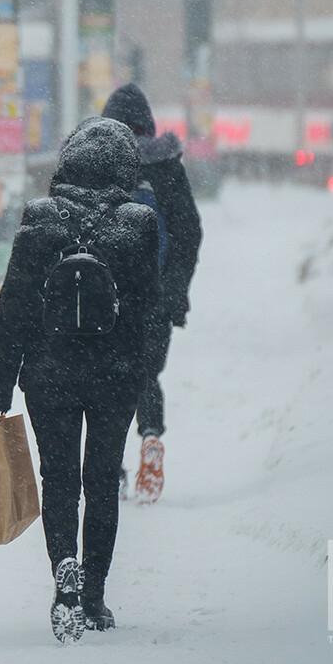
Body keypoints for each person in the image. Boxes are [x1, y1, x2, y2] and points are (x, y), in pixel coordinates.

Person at [0, 118, 162, 642]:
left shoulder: (42, 219)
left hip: (49, 374)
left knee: (59, 479)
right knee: (101, 482)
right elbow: (149, 312)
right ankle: (96, 597)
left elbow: (13, 306)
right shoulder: (138, 224)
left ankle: (65, 580)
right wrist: (143, 380)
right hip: (113, 377)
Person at [101, 83, 204, 504]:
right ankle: (150, 437)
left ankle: (111, 469)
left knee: (106, 382)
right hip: (155, 296)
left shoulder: (96, 161)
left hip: (103, 297)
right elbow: (189, 231)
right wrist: (174, 290)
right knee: (145, 374)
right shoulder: (165, 166)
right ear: (148, 124)